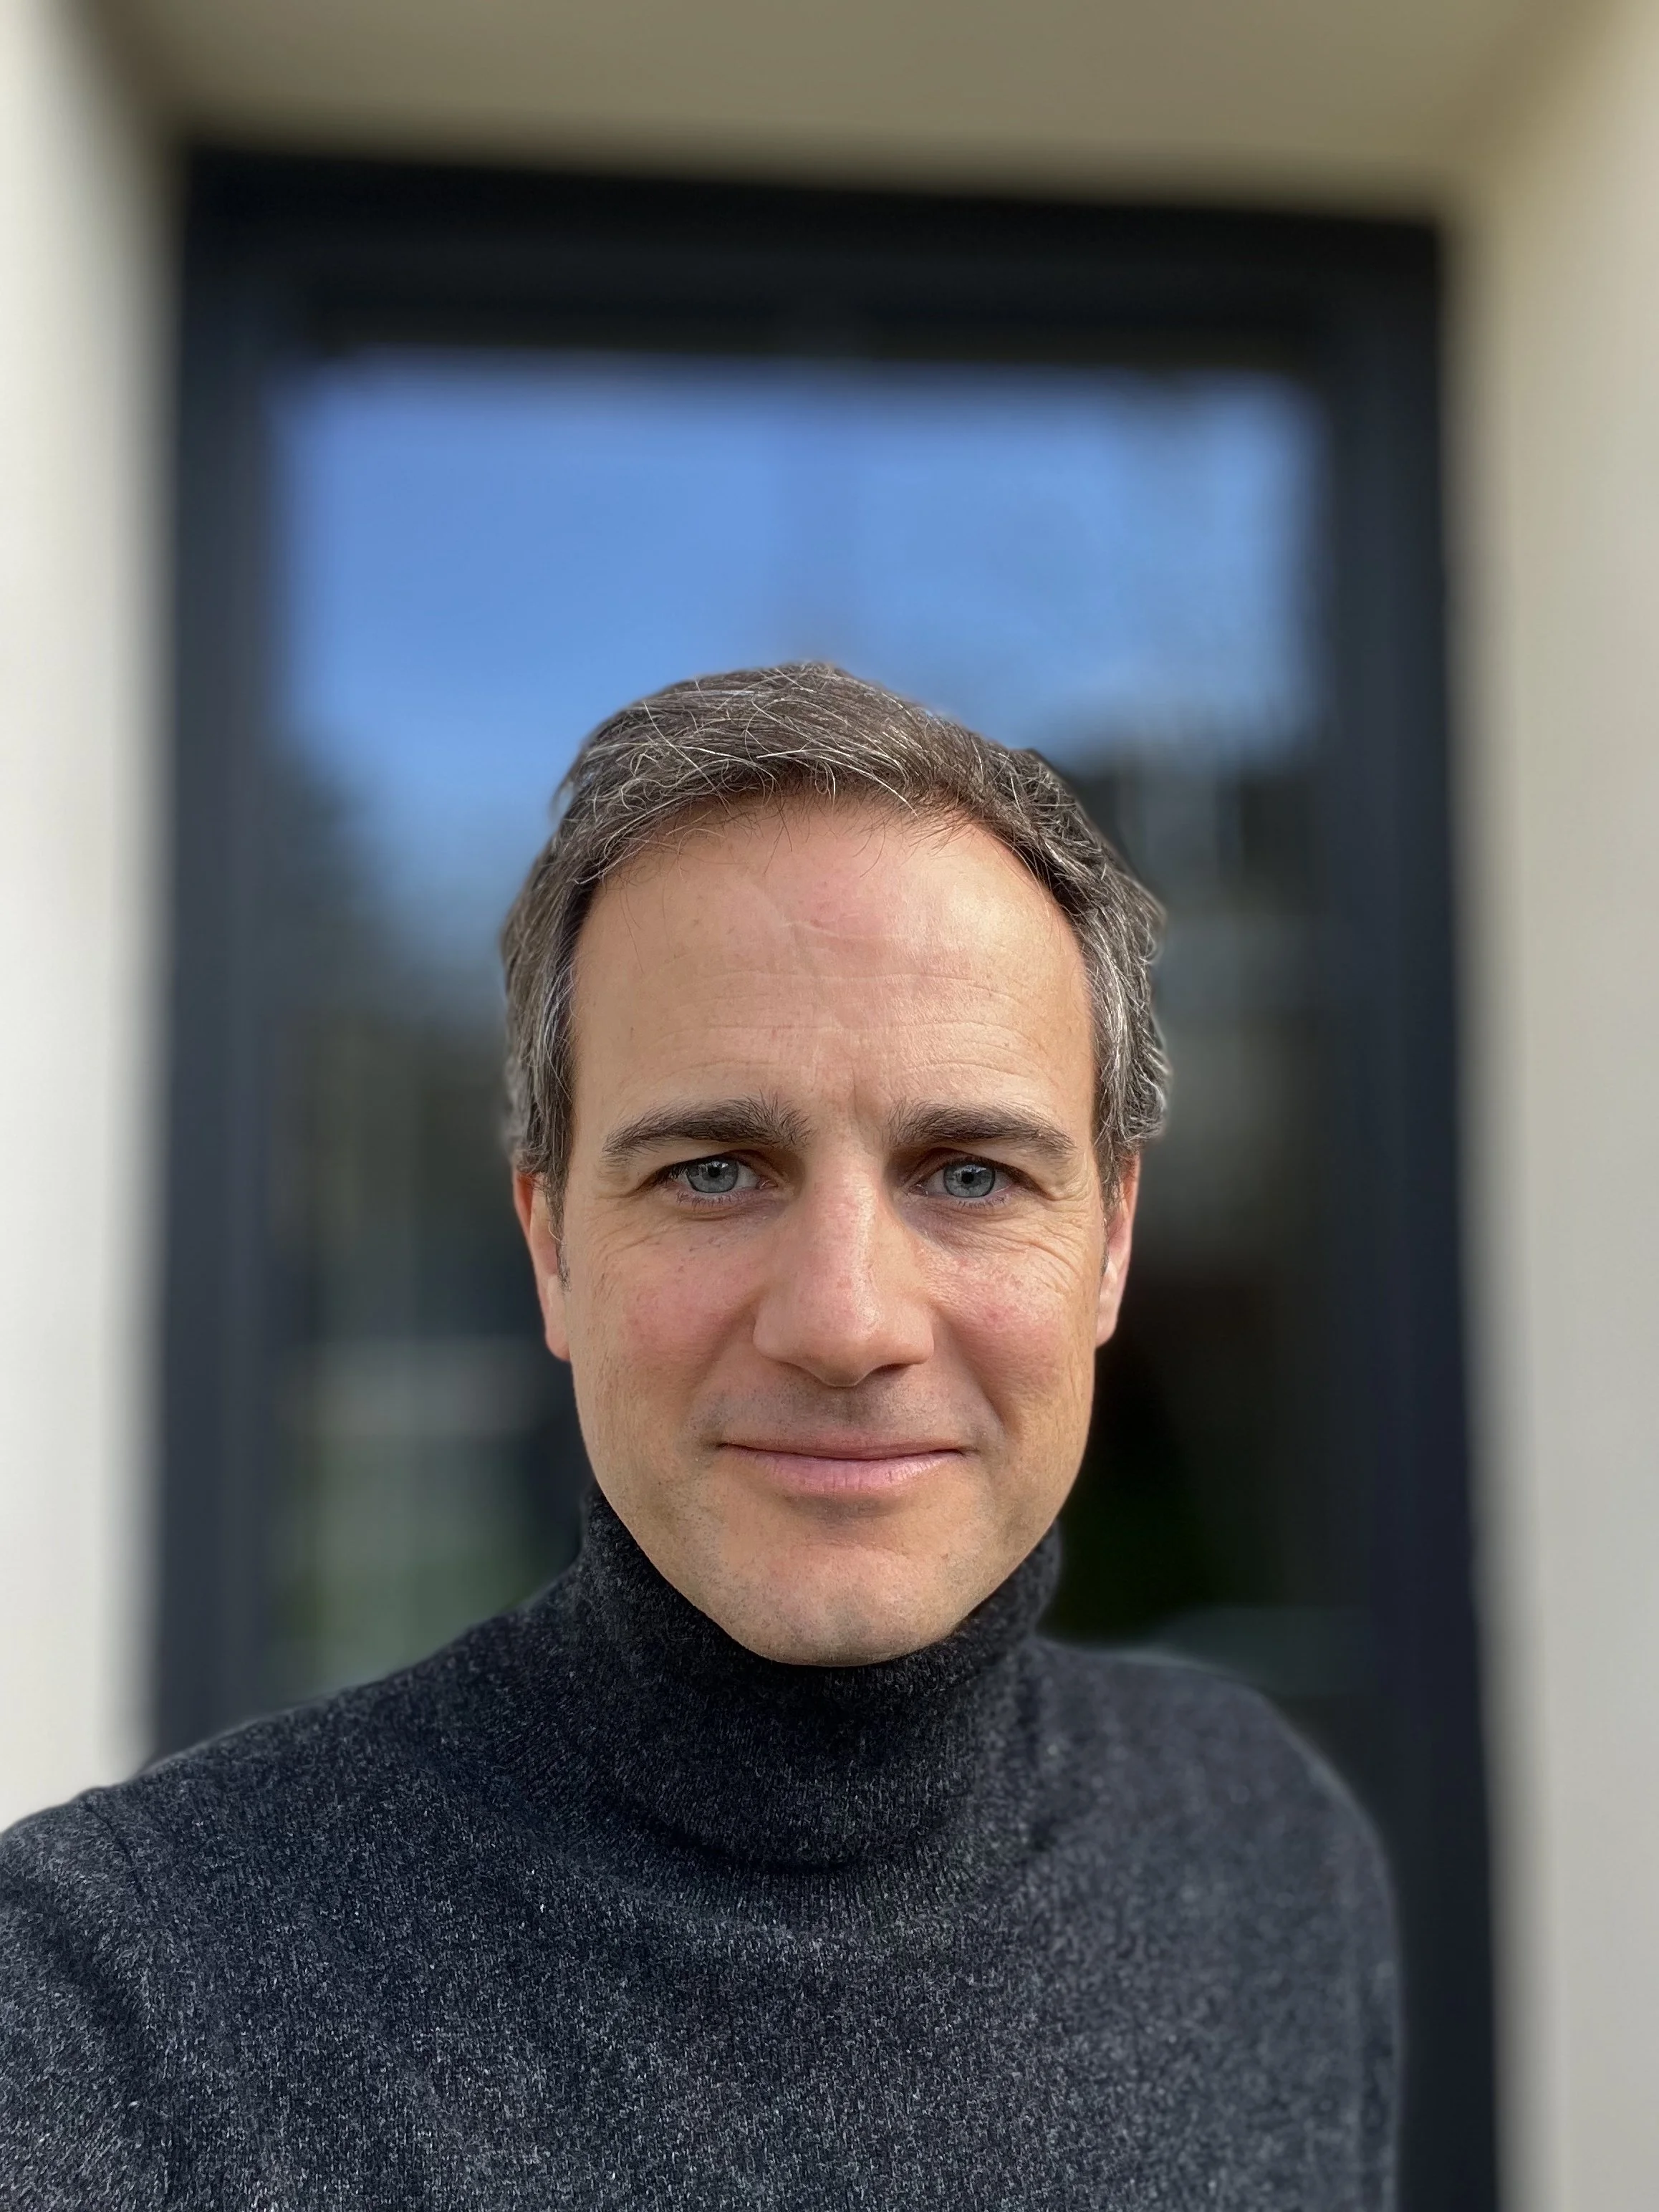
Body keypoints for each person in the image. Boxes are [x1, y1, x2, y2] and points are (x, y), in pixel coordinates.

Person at [0, 664, 1396, 2208]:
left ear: (1114, 1242)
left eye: (973, 1172)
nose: (848, 1320)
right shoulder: (103, 1999)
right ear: (551, 1247)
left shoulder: (1271, 1853)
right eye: (717, 1171)